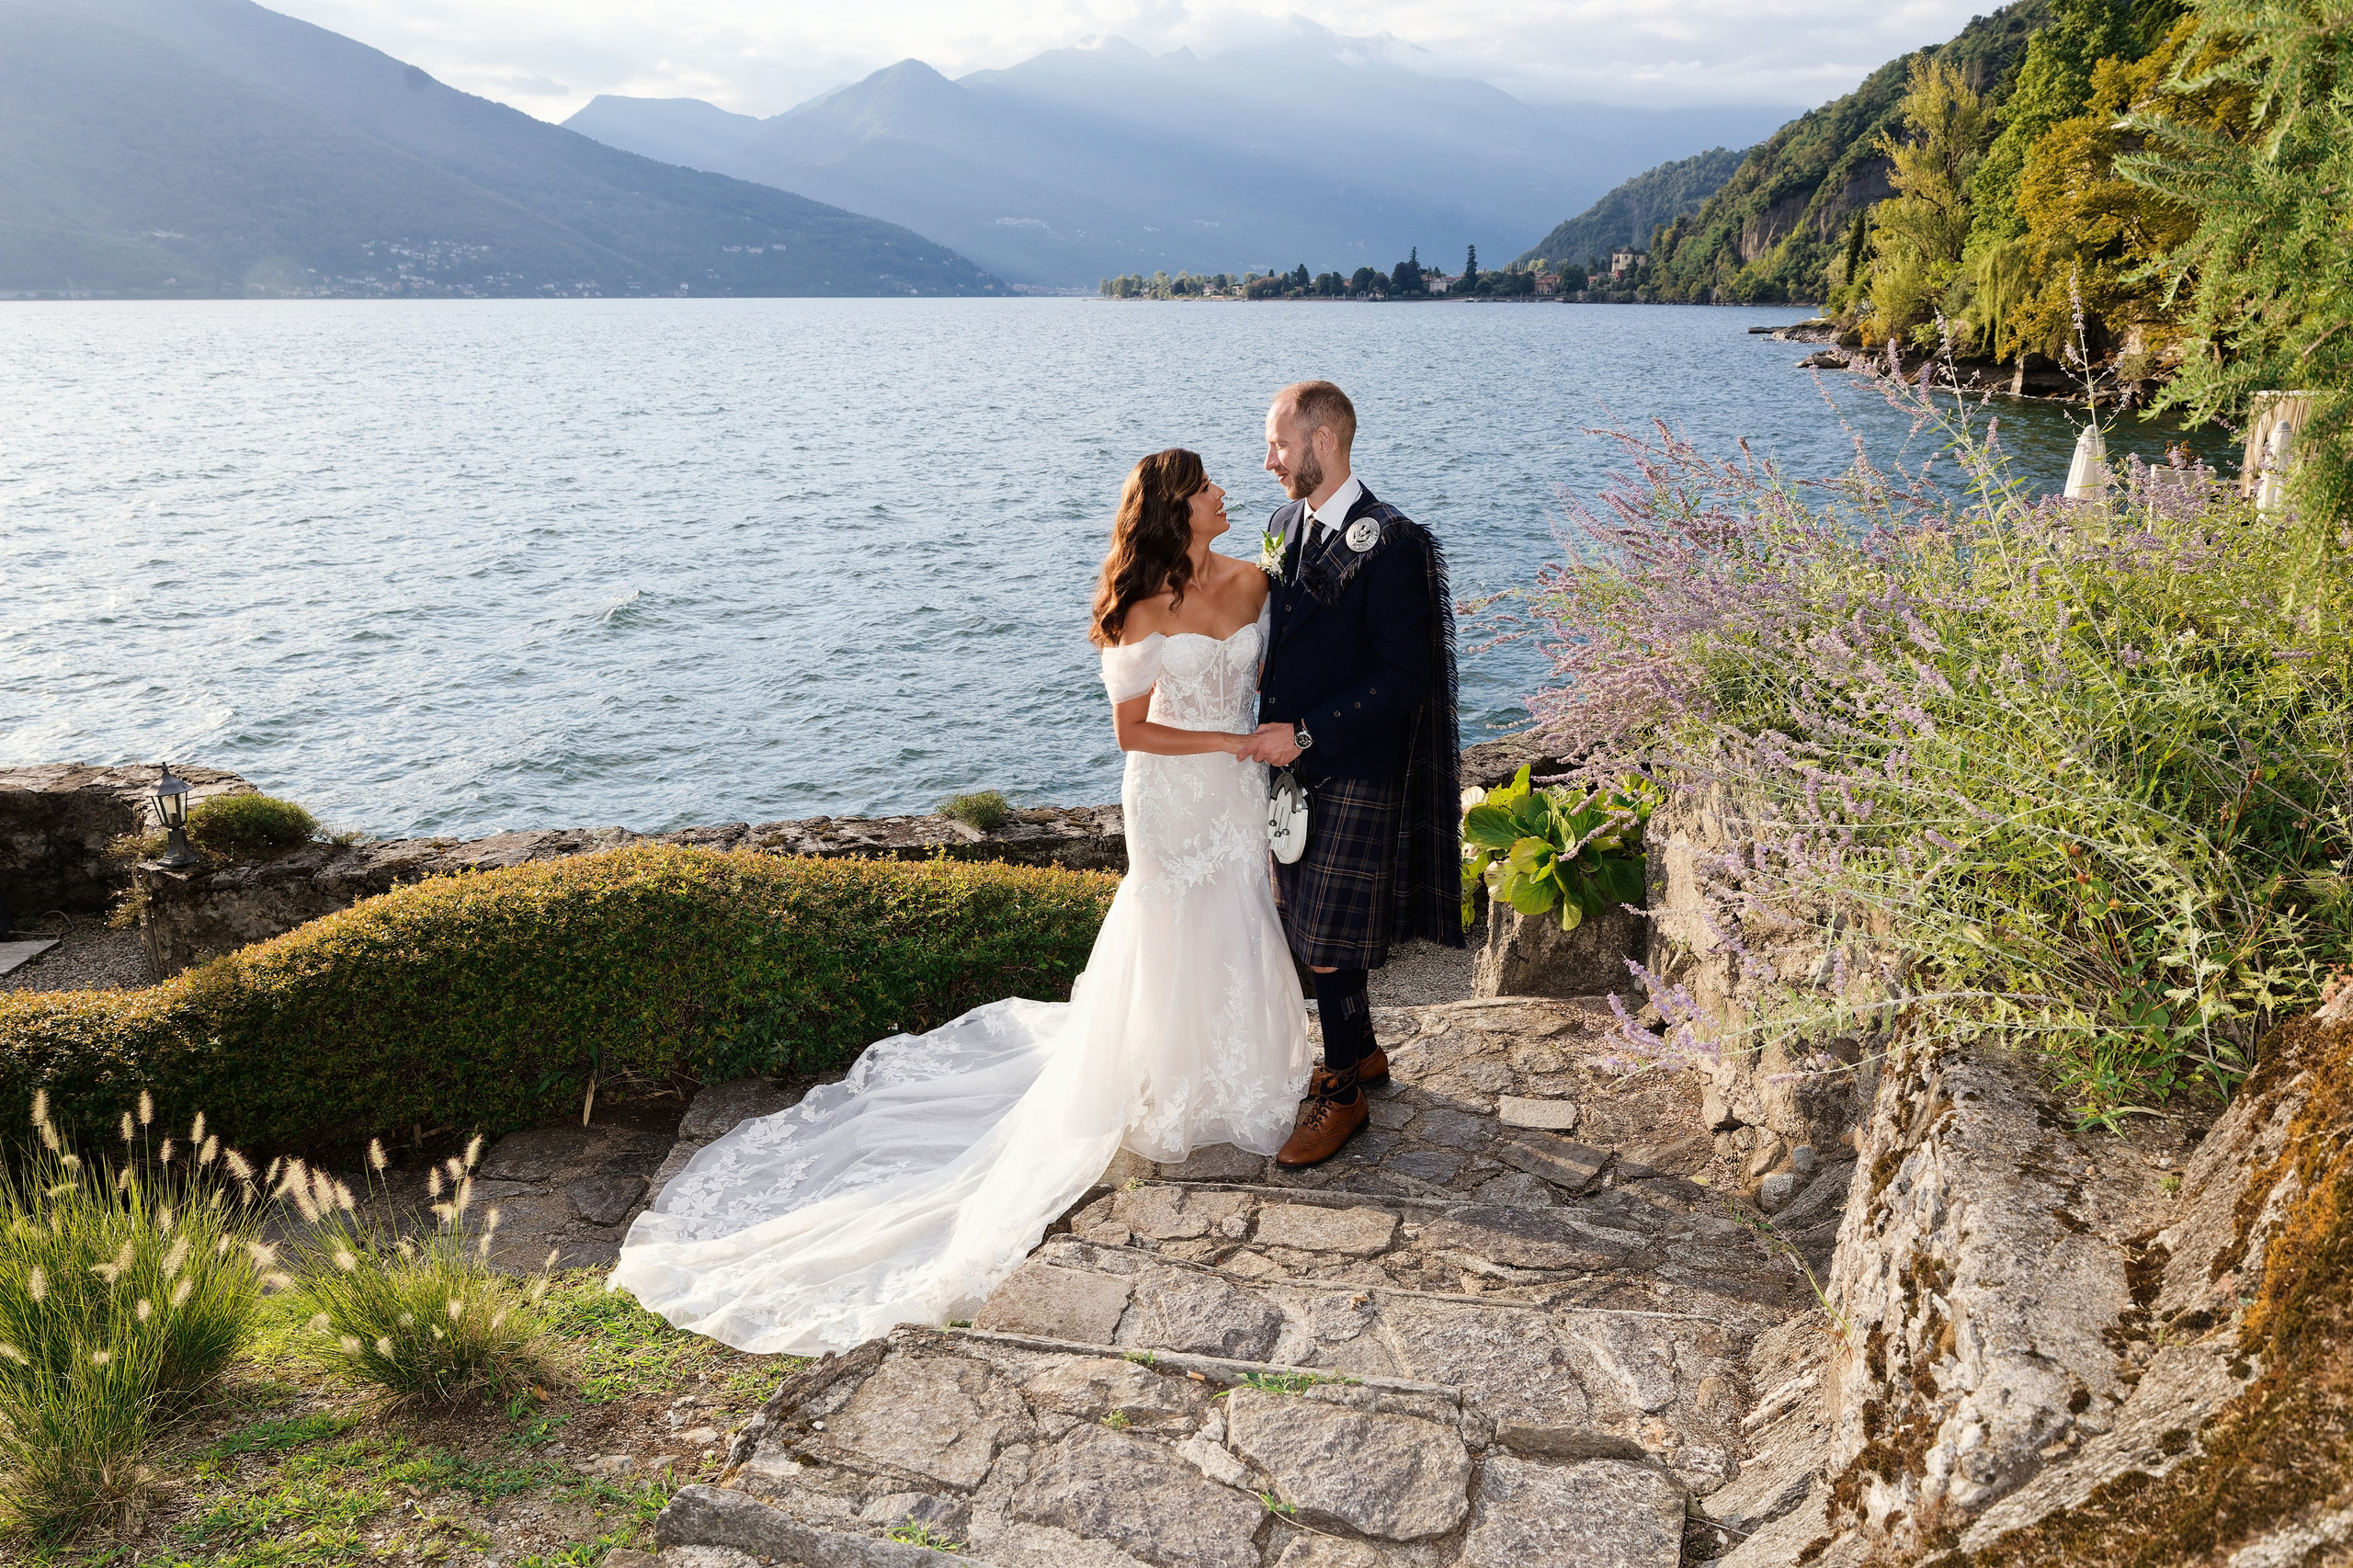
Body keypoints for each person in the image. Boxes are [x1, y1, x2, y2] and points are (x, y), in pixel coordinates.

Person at [608, 448, 1313, 1353]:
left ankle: (1242, 1067)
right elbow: (1131, 727)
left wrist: (1271, 741)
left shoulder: (1257, 580)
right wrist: (1227, 742)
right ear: (1176, 509)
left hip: (1237, 792)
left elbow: (1280, 679)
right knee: (1172, 923)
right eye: (1208, 486)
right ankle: (1170, 1083)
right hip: (1174, 793)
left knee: (1241, 911)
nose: (1225, 493)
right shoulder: (1143, 602)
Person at [1238, 381, 1463, 1166]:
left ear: (1322, 441)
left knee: (1326, 940)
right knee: (1304, 920)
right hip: (1291, 771)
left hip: (1355, 763)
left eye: (1278, 444)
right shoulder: (1281, 524)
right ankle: (1361, 1049)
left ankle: (1343, 1095)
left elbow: (1407, 677)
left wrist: (1305, 732)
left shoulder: (1391, 542)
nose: (1268, 461)